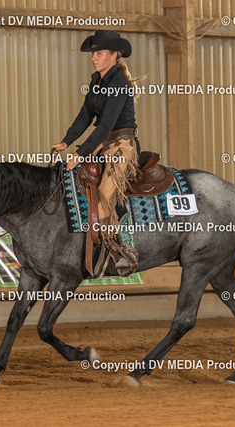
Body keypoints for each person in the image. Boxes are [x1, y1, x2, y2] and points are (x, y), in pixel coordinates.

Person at [51, 30, 144, 276]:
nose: (93, 57)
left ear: (113, 56)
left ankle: (126, 247)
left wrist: (81, 154)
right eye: (93, 53)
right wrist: (66, 141)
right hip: (105, 145)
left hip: (122, 145)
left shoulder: (119, 84)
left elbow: (105, 126)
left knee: (106, 191)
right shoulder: (97, 83)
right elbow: (85, 115)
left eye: (99, 53)